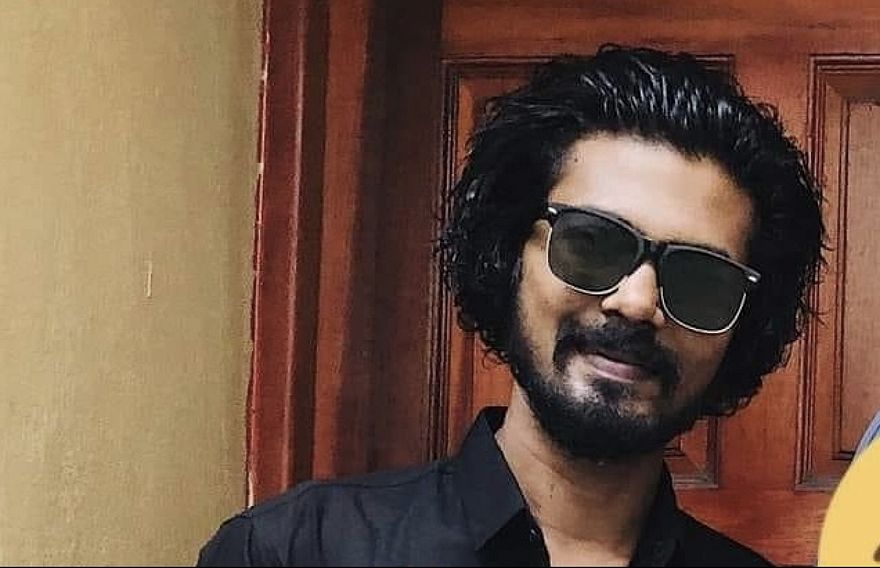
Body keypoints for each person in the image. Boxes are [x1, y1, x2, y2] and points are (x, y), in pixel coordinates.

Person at [197, 45, 825, 566]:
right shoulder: (293, 551)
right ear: (507, 255)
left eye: (701, 277)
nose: (636, 302)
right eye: (592, 243)